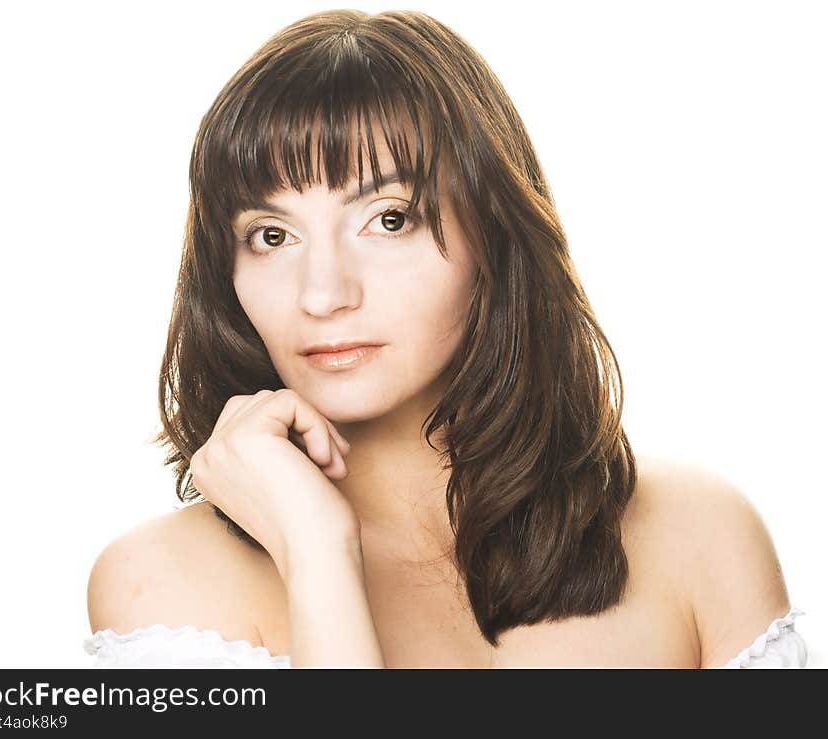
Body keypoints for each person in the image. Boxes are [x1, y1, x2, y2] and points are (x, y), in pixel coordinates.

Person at [84, 9, 807, 668]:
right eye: (272, 236)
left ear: (491, 234)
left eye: (389, 219)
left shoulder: (699, 535)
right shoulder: (161, 585)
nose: (324, 293)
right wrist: (317, 558)